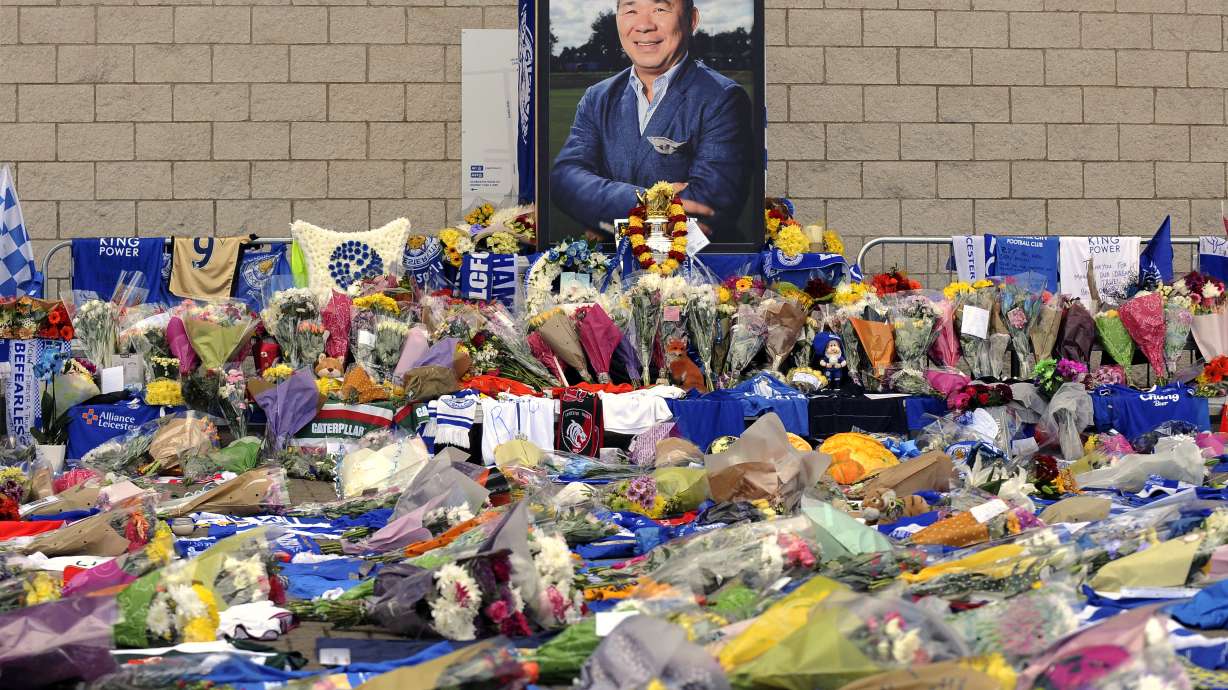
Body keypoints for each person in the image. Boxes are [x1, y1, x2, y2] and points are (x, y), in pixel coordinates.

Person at [551, 0, 754, 239]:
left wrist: (606, 224)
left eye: (660, 9)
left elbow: (704, 212)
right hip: (612, 271)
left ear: (691, 20)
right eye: (631, 10)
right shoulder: (597, 97)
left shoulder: (723, 98)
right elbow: (565, 179)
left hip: (697, 271)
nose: (644, 25)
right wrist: (646, 201)